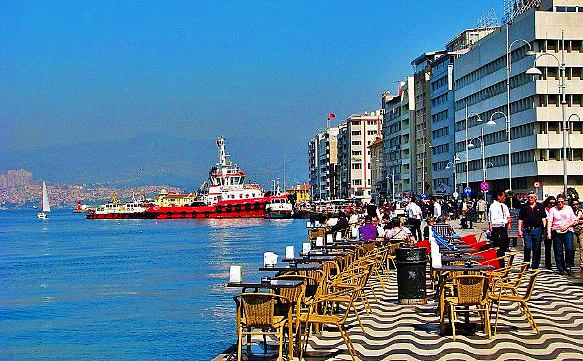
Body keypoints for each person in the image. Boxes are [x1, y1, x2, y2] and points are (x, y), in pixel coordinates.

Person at [547, 193, 577, 275]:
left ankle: (568, 265)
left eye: (562, 202)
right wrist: (549, 232)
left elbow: (573, 220)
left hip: (568, 230)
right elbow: (550, 221)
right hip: (557, 231)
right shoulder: (553, 209)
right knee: (558, 250)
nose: (560, 203)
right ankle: (560, 267)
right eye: (558, 202)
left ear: (564, 201)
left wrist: (567, 226)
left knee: (569, 248)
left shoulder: (569, 208)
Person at [517, 192, 547, 269]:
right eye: (529, 197)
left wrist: (544, 229)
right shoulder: (524, 206)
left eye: (532, 197)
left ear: (535, 198)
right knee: (527, 247)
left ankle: (535, 266)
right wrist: (519, 230)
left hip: (537, 229)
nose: (530, 199)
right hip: (527, 230)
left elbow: (544, 218)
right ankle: (526, 265)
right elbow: (520, 219)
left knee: (536, 248)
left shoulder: (540, 206)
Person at [488, 190, 511, 268]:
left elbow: (507, 215)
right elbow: (493, 221)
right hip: (497, 230)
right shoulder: (494, 206)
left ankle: (502, 266)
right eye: (503, 196)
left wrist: (508, 222)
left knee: (503, 249)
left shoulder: (503, 206)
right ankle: (499, 267)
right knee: (499, 250)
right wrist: (505, 221)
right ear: (498, 196)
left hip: (503, 230)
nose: (504, 198)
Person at [542, 196, 556, 269]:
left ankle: (559, 263)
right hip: (546, 229)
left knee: (557, 247)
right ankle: (548, 263)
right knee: (547, 247)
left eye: (554, 203)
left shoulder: (556, 210)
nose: (552, 205)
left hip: (556, 229)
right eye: (550, 203)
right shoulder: (544, 210)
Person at [571, 199, 583, 268]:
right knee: (572, 248)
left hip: (581, 230)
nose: (575, 206)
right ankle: (571, 262)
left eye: (577, 204)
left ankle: (582, 263)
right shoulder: (570, 212)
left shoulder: (581, 211)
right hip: (573, 230)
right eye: (574, 204)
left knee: (582, 247)